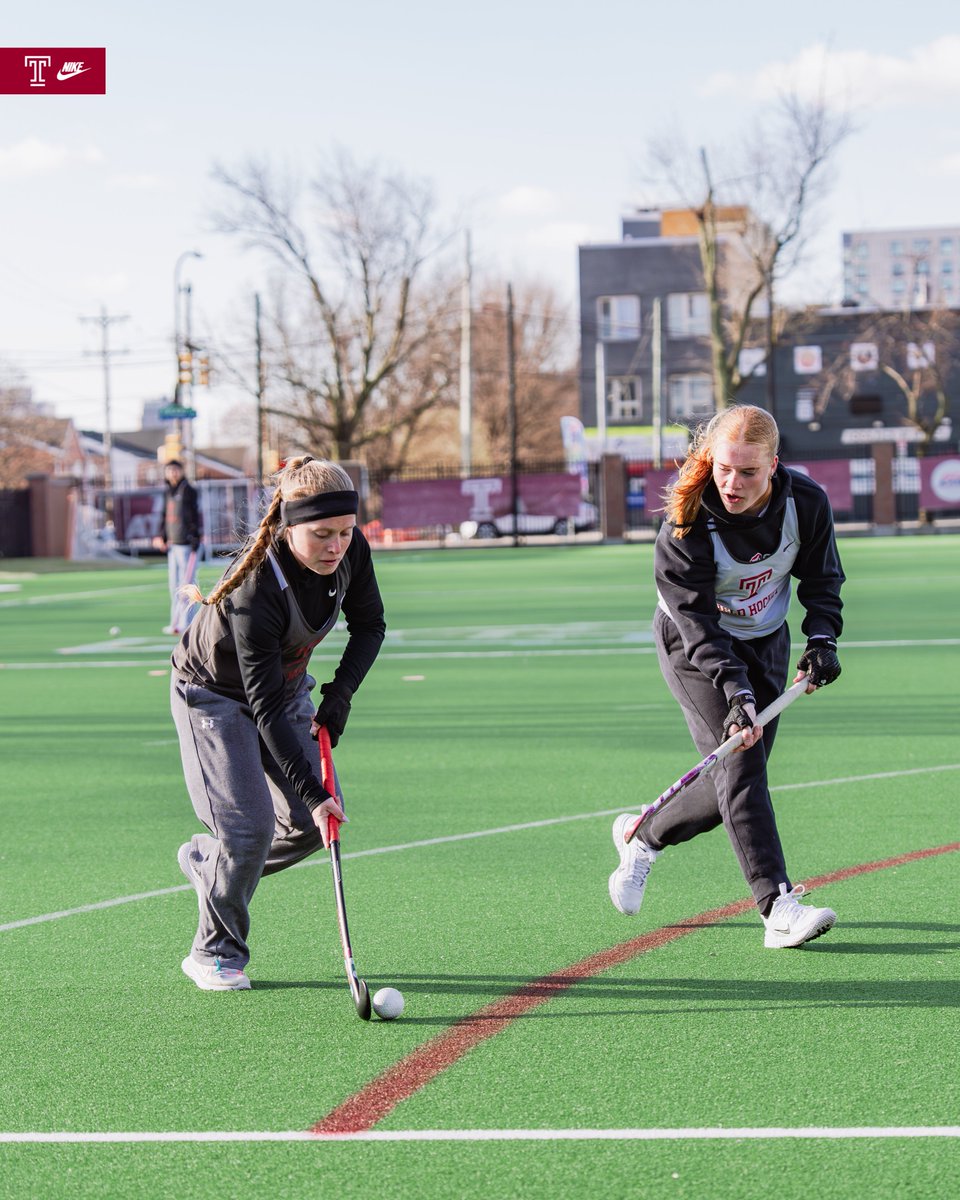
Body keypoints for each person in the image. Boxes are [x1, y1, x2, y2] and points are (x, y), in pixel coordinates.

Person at [610, 405, 844, 948]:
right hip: (695, 649)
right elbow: (697, 622)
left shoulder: (806, 503)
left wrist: (822, 638)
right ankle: (777, 907)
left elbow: (822, 578)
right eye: (723, 469)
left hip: (766, 641)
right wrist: (735, 691)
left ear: (774, 466)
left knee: (733, 783)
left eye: (748, 471)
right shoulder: (686, 520)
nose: (733, 483)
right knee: (742, 768)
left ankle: (642, 835)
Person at [170, 457, 386, 990]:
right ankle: (214, 952)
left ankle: (214, 865)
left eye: (345, 532)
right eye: (322, 535)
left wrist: (340, 695)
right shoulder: (258, 586)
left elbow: (370, 625)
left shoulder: (351, 550)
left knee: (312, 828)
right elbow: (261, 708)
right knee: (248, 829)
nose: (336, 546)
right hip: (213, 697)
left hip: (286, 689)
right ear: (290, 527)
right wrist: (313, 792)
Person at [158, 459, 201, 635]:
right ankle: (175, 622)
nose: (173, 473)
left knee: (187, 585)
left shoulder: (188, 490)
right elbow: (164, 515)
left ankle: (188, 623)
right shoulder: (168, 491)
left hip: (186, 544)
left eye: (176, 470)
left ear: (182, 471)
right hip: (173, 544)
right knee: (174, 586)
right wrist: (162, 536)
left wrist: (195, 536)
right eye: (170, 470)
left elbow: (195, 515)